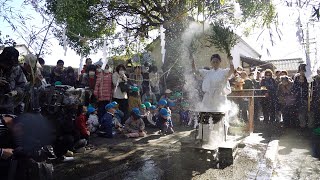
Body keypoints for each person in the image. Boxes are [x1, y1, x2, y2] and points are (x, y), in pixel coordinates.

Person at [192, 53, 234, 142]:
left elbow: (231, 70)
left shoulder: (223, 72)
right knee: (205, 115)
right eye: (213, 61)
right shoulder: (207, 72)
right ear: (211, 62)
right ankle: (205, 137)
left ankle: (220, 137)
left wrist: (230, 61)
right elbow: (195, 71)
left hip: (219, 97)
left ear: (220, 62)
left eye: (217, 61)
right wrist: (192, 59)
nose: (215, 63)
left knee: (219, 116)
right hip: (208, 97)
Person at [0, 47, 27, 114]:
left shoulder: (17, 69)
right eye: (6, 63)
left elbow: (23, 85)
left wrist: (15, 92)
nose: (8, 66)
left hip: (8, 106)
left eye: (10, 64)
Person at [292, 64, 311, 128]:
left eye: (304, 70)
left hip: (307, 98)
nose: (302, 72)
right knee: (300, 113)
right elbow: (294, 88)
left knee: (308, 113)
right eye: (301, 70)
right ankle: (302, 126)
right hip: (298, 99)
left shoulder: (309, 79)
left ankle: (309, 126)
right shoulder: (296, 78)